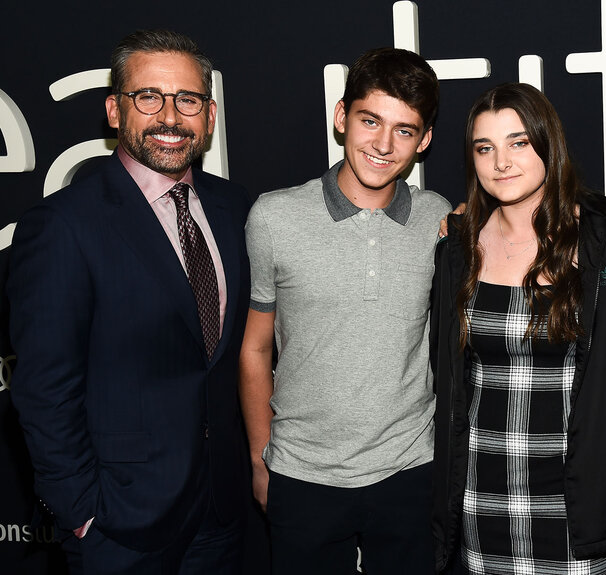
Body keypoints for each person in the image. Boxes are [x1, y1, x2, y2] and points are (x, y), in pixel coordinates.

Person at [6, 30, 251, 574]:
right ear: (115, 111)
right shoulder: (63, 225)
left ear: (209, 116)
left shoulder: (235, 207)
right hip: (120, 524)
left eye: (187, 100)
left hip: (222, 511)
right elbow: (45, 385)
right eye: (149, 97)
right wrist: (82, 511)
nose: (170, 116)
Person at [239, 47, 451, 573]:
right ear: (341, 117)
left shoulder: (439, 220)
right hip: (302, 470)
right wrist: (260, 458)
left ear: (424, 142)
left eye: (404, 130)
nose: (383, 144)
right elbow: (255, 347)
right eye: (370, 120)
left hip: (410, 469)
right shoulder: (274, 217)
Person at [431, 83, 606, 575]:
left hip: (574, 500)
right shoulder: (458, 248)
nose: (501, 162)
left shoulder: (605, 243)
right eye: (485, 148)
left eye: (518, 142)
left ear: (548, 143)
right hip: (484, 493)